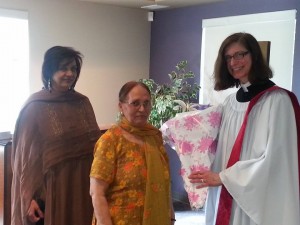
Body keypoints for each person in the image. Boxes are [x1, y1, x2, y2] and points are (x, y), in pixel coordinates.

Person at [189, 32, 300, 225]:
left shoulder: (277, 101)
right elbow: (216, 145)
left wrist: (224, 178)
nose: (234, 62)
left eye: (240, 54)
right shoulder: (230, 103)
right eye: (229, 57)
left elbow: (276, 158)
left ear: (255, 56)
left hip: (256, 198)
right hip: (226, 190)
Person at [11, 46, 102, 225]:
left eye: (74, 69)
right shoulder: (35, 106)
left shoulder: (82, 102)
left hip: (84, 185)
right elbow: (25, 161)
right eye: (63, 68)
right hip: (54, 189)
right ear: (49, 71)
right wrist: (29, 198)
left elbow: (96, 145)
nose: (69, 73)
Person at [90, 81, 175, 225]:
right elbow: (97, 193)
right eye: (135, 103)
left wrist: (171, 217)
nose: (142, 109)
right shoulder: (111, 140)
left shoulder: (154, 137)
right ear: (121, 106)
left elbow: (164, 184)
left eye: (146, 103)